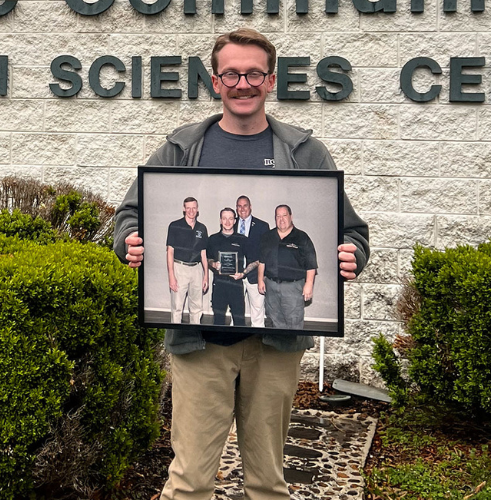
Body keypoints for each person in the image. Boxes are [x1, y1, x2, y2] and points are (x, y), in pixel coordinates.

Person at [113, 27, 369, 500]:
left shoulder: (305, 152)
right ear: (215, 81)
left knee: (268, 483)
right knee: (189, 482)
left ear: (271, 81)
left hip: (275, 343)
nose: (243, 83)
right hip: (199, 346)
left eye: (254, 74)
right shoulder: (180, 147)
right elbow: (131, 213)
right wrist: (128, 239)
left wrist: (353, 254)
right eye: (231, 73)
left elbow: (349, 230)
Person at [258, 204, 317, 330]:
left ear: (291, 216)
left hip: (293, 288)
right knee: (273, 319)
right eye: (278, 216)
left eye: (284, 215)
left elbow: (311, 265)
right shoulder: (267, 237)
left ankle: (293, 349)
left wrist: (309, 285)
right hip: (271, 286)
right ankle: (277, 348)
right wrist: (260, 281)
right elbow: (261, 261)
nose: (281, 219)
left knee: (294, 321)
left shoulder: (302, 237)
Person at [207, 207, 256, 326]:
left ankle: (239, 344)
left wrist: (243, 273)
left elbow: (255, 261)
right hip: (219, 284)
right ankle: (218, 344)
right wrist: (213, 264)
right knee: (218, 320)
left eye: (230, 218)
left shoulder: (243, 240)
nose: (227, 222)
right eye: (224, 218)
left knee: (239, 321)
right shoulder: (213, 239)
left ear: (235, 221)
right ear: (220, 220)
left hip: (236, 284)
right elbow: (208, 259)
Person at [166, 197, 209, 324]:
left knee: (196, 308)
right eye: (188, 208)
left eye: (194, 208)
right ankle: (176, 337)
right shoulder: (174, 226)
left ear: (197, 209)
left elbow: (203, 253)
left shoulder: (202, 228)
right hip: (179, 268)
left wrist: (206, 275)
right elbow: (170, 252)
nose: (191, 210)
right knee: (177, 307)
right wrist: (171, 276)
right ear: (184, 209)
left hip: (196, 270)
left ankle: (194, 334)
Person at [234, 195, 270, 327]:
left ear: (250, 207)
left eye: (245, 205)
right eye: (239, 206)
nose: (242, 209)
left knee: (257, 310)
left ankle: (257, 339)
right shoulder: (231, 223)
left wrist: (263, 276)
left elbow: (265, 254)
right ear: (236, 208)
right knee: (235, 312)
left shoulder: (262, 226)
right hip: (235, 276)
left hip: (255, 276)